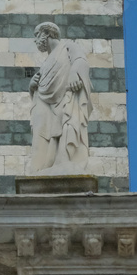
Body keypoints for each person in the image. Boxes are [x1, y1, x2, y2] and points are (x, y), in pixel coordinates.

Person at [28, 22, 93, 173]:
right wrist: (32, 86)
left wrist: (73, 73)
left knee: (68, 126)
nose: (35, 40)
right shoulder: (45, 63)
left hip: (66, 100)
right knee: (41, 133)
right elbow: (40, 89)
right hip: (45, 106)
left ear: (47, 33)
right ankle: (42, 167)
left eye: (37, 35)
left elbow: (81, 60)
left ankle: (64, 161)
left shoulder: (68, 47)